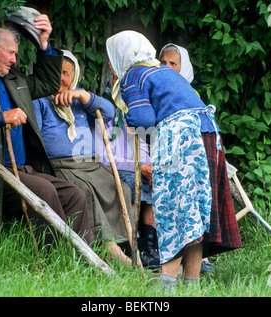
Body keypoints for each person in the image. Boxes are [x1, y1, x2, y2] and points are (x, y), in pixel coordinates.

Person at [106, 30, 242, 289]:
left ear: (123, 55)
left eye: (112, 57)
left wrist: (132, 120)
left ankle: (166, 286)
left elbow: (143, 120)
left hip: (181, 139)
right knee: (195, 214)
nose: (112, 64)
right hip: (208, 135)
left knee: (173, 211)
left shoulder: (133, 75)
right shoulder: (164, 72)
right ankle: (191, 285)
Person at [0, 13, 93, 248]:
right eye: (11, 53)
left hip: (24, 169)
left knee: (74, 193)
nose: (15, 60)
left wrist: (44, 45)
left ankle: (82, 255)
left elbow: (48, 83)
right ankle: (55, 257)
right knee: (44, 190)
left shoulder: (15, 79)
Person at [32, 50, 135, 266]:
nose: (61, 78)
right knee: (86, 193)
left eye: (66, 73)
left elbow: (109, 113)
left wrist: (83, 96)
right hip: (63, 167)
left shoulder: (78, 98)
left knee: (122, 189)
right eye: (56, 71)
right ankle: (114, 256)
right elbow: (35, 140)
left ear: (73, 76)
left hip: (91, 165)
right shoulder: (40, 100)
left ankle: (123, 246)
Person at [160, 43, 215, 274]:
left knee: (186, 209)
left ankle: (182, 275)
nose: (167, 68)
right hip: (173, 157)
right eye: (163, 63)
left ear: (185, 69)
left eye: (173, 63)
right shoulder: (160, 92)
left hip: (193, 158)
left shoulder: (188, 96)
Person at [99, 77, 160, 270]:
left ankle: (151, 246)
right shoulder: (106, 112)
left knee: (156, 182)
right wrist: (139, 166)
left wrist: (149, 167)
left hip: (137, 166)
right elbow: (103, 155)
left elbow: (143, 148)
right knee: (133, 183)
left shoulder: (138, 113)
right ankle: (133, 243)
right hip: (115, 168)